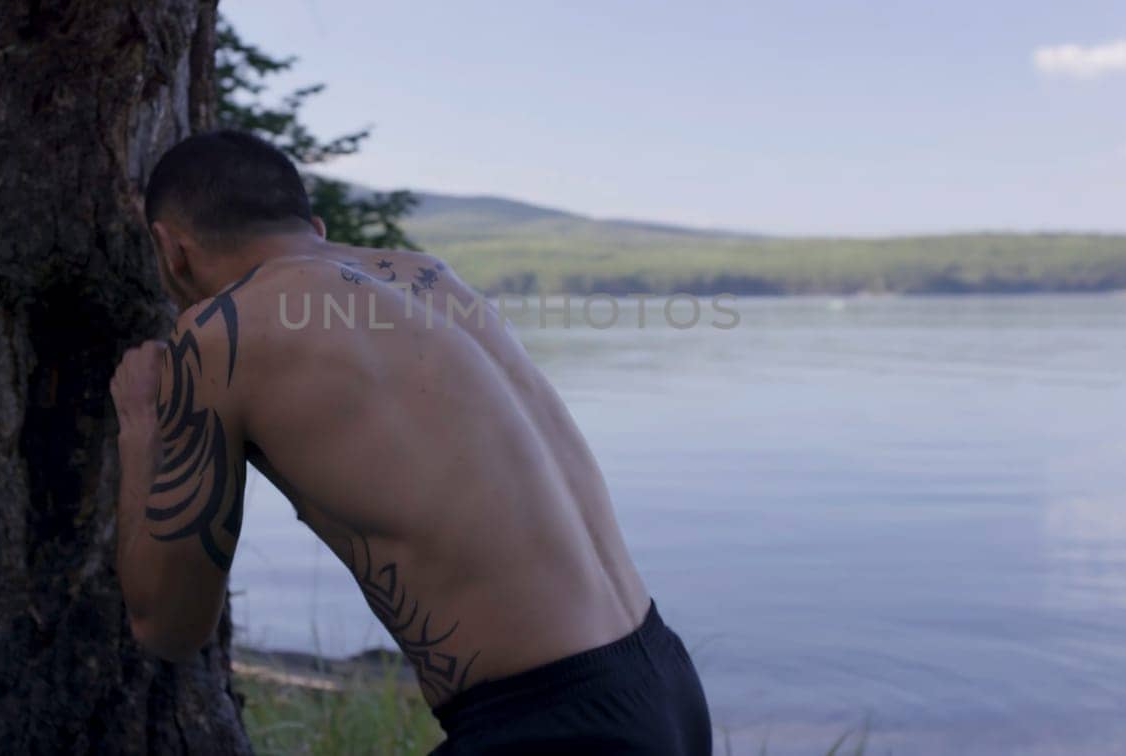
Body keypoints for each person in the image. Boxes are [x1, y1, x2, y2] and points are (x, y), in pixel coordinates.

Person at [110, 129, 712, 754]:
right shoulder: (431, 279)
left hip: (549, 726)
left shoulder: (217, 335)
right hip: (661, 677)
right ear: (314, 229)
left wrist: (139, 431)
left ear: (170, 249)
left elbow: (168, 627)